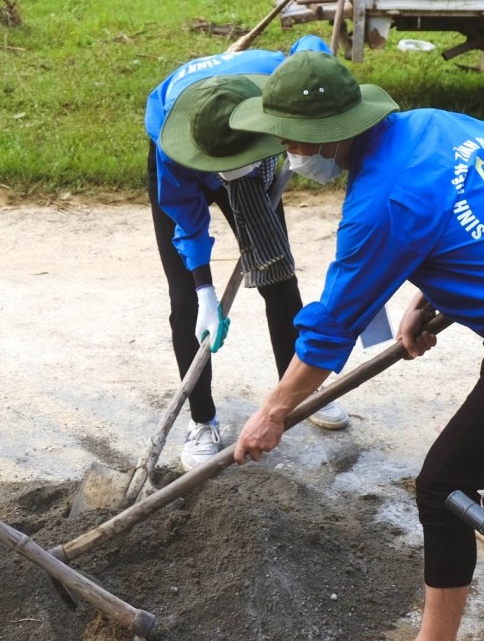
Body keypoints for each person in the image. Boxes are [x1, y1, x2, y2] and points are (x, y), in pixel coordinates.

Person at [226, 50, 484, 641]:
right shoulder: (443, 124)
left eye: (289, 138)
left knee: (441, 486)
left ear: (326, 137)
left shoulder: (381, 205)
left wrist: (273, 412)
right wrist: (427, 293)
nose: (287, 150)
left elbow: (332, 327)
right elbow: (481, 217)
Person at [145, 35, 350, 471]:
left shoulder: (278, 81)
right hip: (193, 144)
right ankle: (202, 420)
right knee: (183, 300)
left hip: (253, 153)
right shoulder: (172, 148)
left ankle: (298, 391)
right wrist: (204, 289)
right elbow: (186, 219)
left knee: (279, 278)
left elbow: (311, 49)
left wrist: (308, 131)